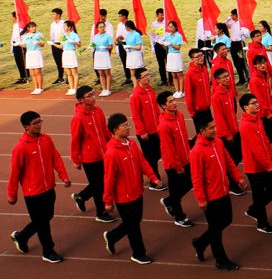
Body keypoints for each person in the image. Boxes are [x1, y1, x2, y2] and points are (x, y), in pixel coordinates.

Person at [7, 110, 70, 263]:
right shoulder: (21, 148)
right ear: (26, 127)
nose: (39, 125)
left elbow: (55, 157)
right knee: (42, 223)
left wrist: (63, 175)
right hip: (33, 193)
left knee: (46, 217)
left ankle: (21, 237)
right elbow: (14, 173)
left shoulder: (46, 140)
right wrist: (12, 194)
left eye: (40, 121)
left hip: (49, 188)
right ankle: (48, 251)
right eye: (35, 123)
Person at [102, 113, 161, 264]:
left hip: (137, 192)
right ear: (115, 130)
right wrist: (108, 201)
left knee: (134, 221)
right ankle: (138, 253)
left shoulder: (131, 144)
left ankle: (112, 236)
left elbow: (143, 163)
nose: (128, 128)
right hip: (123, 197)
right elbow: (109, 179)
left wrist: (153, 178)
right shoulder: (112, 153)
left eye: (128, 125)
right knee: (133, 226)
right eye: (125, 126)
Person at [190, 117, 246, 271]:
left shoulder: (218, 142)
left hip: (223, 191)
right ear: (202, 131)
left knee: (227, 220)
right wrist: (201, 199)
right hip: (210, 197)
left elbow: (228, 161)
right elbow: (196, 178)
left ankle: (200, 242)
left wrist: (238, 177)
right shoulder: (197, 151)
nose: (215, 130)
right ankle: (221, 260)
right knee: (215, 229)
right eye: (211, 128)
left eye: (215, 127)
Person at [70, 86, 113, 223]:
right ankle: (101, 213)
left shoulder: (98, 111)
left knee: (101, 182)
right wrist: (76, 159)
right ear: (81, 100)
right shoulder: (78, 117)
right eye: (90, 95)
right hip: (90, 158)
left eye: (93, 94)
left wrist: (111, 144)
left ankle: (81, 197)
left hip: (104, 153)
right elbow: (75, 139)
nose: (94, 97)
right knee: (99, 185)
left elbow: (105, 130)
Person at [238, 93, 272, 233]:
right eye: (253, 103)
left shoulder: (257, 119)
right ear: (245, 107)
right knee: (260, 195)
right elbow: (256, 149)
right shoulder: (246, 125)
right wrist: (268, 166)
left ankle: (254, 210)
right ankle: (262, 223)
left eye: (257, 102)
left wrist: (271, 156)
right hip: (255, 167)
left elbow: (265, 141)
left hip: (264, 163)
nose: (257, 105)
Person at [156, 91, 193, 227]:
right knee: (176, 189)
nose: (174, 103)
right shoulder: (164, 125)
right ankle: (179, 216)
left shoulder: (180, 116)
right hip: (173, 164)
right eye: (170, 101)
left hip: (185, 158)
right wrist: (178, 166)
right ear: (163, 106)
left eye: (174, 100)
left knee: (190, 183)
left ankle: (169, 201)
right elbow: (169, 149)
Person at [129, 69, 163, 185]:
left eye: (148, 74)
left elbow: (155, 109)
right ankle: (154, 182)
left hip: (156, 129)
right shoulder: (136, 95)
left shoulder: (149, 90)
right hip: (146, 133)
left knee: (158, 154)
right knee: (152, 159)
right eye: (145, 76)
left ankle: (141, 168)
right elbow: (135, 115)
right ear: (139, 79)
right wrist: (142, 131)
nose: (148, 77)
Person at [184, 49, 213, 128]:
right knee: (202, 134)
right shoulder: (190, 74)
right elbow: (188, 94)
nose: (201, 58)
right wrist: (191, 111)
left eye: (202, 55)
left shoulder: (204, 68)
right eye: (198, 57)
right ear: (192, 59)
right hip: (198, 111)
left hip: (207, 107)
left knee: (211, 129)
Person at [90, 21, 114, 96]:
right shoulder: (95, 37)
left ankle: (108, 89)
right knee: (101, 73)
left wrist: (105, 47)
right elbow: (93, 45)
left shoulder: (108, 36)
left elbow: (111, 46)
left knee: (107, 72)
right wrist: (92, 47)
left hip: (105, 54)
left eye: (103, 27)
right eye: (100, 27)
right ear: (97, 28)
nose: (102, 28)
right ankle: (104, 89)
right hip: (98, 54)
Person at [21, 21, 46, 94]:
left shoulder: (39, 34)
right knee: (32, 72)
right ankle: (36, 87)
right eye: (32, 27)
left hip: (36, 53)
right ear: (28, 28)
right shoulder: (26, 35)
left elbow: (43, 44)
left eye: (34, 26)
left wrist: (39, 43)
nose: (34, 28)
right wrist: (19, 44)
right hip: (29, 54)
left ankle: (40, 88)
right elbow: (25, 45)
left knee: (38, 71)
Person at [59, 20, 81, 95]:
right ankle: (71, 88)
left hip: (71, 52)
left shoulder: (74, 35)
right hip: (65, 53)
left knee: (74, 72)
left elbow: (79, 45)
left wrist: (74, 41)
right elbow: (61, 46)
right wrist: (52, 44)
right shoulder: (63, 36)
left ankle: (75, 88)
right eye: (63, 26)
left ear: (70, 27)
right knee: (68, 72)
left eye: (65, 26)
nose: (64, 27)